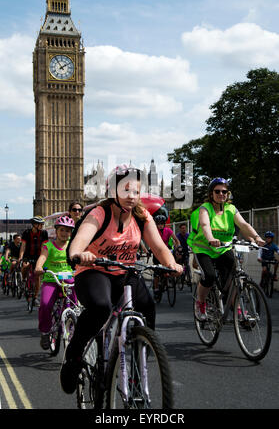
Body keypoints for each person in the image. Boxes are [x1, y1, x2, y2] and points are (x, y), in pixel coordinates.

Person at [60, 164, 183, 394]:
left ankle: (140, 357)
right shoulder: (99, 213)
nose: (132, 196)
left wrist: (171, 263)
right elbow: (78, 242)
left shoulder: (141, 214)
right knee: (100, 306)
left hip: (124, 271)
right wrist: (81, 253)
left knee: (147, 305)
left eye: (136, 192)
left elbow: (158, 246)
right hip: (93, 271)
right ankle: (74, 357)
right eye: (126, 190)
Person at [191, 177, 265, 320]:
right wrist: (211, 238)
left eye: (224, 191)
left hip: (223, 249)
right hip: (204, 249)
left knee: (233, 277)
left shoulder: (231, 209)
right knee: (209, 276)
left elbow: (244, 225)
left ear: (228, 193)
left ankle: (238, 310)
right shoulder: (205, 208)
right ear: (211, 193)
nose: (221, 194)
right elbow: (205, 225)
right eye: (217, 191)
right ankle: (200, 303)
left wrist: (256, 237)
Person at [35, 216, 76, 350]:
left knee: (76, 305)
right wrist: (39, 266)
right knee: (46, 304)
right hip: (52, 279)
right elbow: (42, 257)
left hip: (69, 278)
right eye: (62, 230)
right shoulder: (49, 246)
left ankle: (73, 326)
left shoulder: (73, 244)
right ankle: (45, 332)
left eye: (68, 231)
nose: (65, 233)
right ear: (56, 231)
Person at [18, 216, 48, 306]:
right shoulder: (26, 233)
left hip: (38, 256)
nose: (42, 226)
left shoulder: (44, 233)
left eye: (42, 224)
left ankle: (35, 297)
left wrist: (43, 258)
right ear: (35, 225)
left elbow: (44, 246)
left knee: (37, 275)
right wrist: (20, 257)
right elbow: (23, 246)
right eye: (40, 224)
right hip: (27, 255)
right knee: (25, 266)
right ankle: (23, 279)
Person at [152, 215, 180, 298]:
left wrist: (178, 248)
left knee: (168, 268)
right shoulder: (154, 231)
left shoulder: (168, 230)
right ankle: (156, 288)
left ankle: (167, 280)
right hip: (156, 251)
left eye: (162, 224)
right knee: (157, 273)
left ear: (164, 224)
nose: (160, 225)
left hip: (166, 251)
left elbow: (176, 240)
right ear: (156, 224)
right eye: (158, 224)